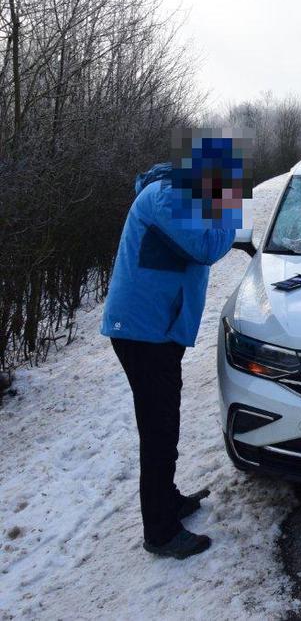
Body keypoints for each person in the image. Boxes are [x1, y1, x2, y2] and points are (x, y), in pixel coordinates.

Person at [101, 130, 249, 559]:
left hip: (156, 329)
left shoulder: (181, 195)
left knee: (165, 420)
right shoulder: (164, 197)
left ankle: (167, 502)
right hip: (142, 332)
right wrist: (230, 211)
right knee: (159, 427)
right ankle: (160, 532)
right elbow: (205, 246)